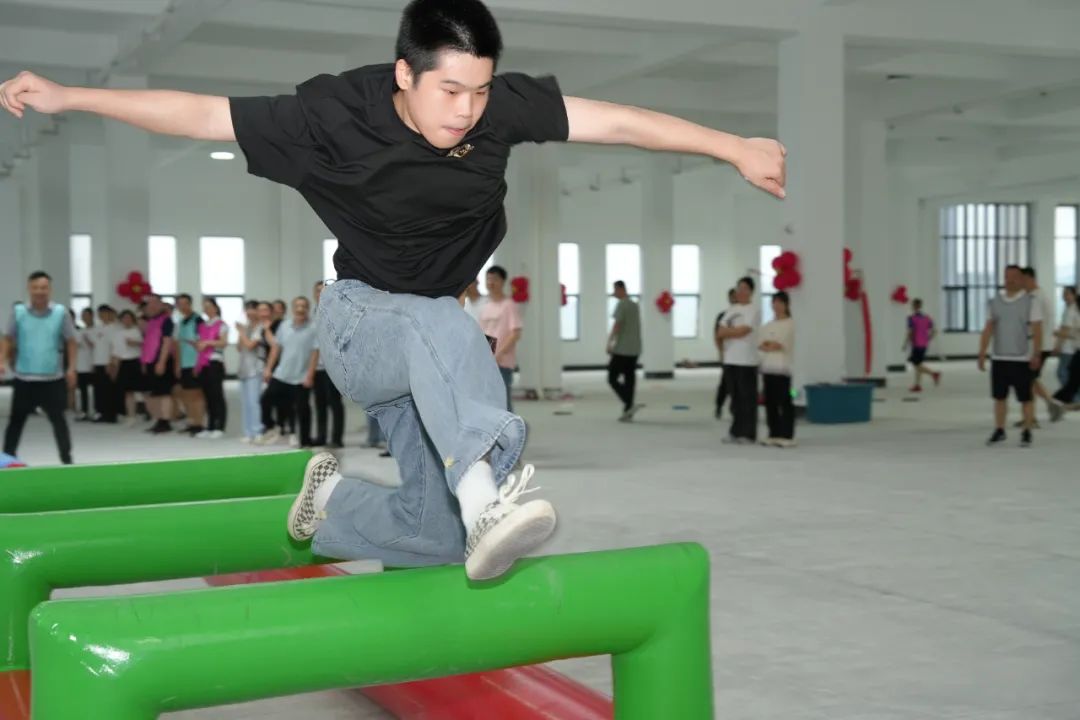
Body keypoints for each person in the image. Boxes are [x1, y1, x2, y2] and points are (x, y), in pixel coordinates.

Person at [0, 0, 786, 580]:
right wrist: (72, 98)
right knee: (440, 326)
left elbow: (615, 123)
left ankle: (336, 506)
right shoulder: (332, 115)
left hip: (428, 355)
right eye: (450, 92)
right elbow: (200, 113)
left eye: (480, 91)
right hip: (361, 323)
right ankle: (486, 498)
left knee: (432, 533)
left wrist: (731, 146)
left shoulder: (496, 110)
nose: (467, 111)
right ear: (405, 74)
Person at [0, 271, 77, 465]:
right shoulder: (18, 312)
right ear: (29, 289)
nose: (39, 291)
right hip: (24, 378)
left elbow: (71, 341)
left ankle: (67, 461)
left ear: (50, 289)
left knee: (59, 421)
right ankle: (7, 460)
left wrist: (71, 368)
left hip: (52, 378)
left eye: (43, 287)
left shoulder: (61, 312)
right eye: (35, 287)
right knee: (16, 421)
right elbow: (8, 338)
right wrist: (1, 360)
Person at [978, 265, 1043, 447]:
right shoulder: (994, 302)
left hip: (1022, 358)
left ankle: (1027, 431)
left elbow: (1037, 329)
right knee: (999, 397)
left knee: (1026, 398)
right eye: (1007, 277)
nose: (1010, 280)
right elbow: (988, 329)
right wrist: (982, 352)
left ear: (1021, 279)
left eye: (1014, 277)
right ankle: (999, 429)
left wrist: (1036, 353)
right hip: (999, 357)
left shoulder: (1031, 302)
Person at [264, 297, 319, 449]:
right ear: (293, 308)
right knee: (266, 400)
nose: (300, 309)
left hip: (301, 377)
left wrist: (310, 375)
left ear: (307, 309)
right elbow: (276, 348)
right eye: (297, 306)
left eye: (304, 306)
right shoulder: (284, 326)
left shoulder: (314, 328)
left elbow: (315, 353)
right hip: (281, 374)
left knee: (303, 409)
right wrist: (268, 368)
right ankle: (274, 427)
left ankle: (305, 440)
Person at [715, 277, 761, 444]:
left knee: (747, 398)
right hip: (730, 359)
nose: (741, 292)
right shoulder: (731, 309)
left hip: (747, 361)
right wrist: (733, 331)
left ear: (751, 291)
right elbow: (720, 332)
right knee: (735, 399)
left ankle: (748, 434)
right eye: (739, 288)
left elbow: (744, 331)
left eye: (745, 288)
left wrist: (729, 331)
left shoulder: (753, 310)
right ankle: (735, 431)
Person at [478, 265, 523, 411]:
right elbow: (483, 333)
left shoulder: (509, 305)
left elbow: (515, 333)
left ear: (503, 281)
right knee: (489, 401)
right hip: (487, 361)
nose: (491, 282)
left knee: (504, 402)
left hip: (502, 362)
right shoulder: (486, 306)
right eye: (488, 279)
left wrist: (499, 354)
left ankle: (513, 426)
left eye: (495, 279)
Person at [759, 291, 796, 448]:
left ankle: (787, 435)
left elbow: (779, 345)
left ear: (786, 305)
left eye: (780, 302)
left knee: (785, 401)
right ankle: (773, 433)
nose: (776, 305)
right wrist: (769, 345)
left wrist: (770, 344)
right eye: (774, 302)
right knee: (770, 403)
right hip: (768, 368)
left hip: (783, 369)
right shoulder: (768, 325)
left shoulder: (791, 324)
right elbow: (761, 343)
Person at [1020, 268, 1056, 425]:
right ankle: (1049, 406)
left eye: (1022, 279)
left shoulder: (1036, 297)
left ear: (1030, 278)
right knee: (1030, 380)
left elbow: (1036, 325)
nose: (1021, 283)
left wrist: (1036, 351)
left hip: (1040, 346)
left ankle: (1035, 415)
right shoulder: (1037, 295)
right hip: (1040, 344)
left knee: (1028, 381)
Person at [312, 281, 345, 449]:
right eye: (318, 291)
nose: (321, 294)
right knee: (320, 404)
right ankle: (321, 436)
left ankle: (337, 438)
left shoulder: (337, 313)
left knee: (334, 403)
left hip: (333, 367)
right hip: (316, 367)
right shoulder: (313, 313)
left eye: (324, 291)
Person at [606, 280, 643, 422]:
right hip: (635, 348)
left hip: (623, 349)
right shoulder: (635, 305)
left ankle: (629, 403)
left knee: (612, 378)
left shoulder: (622, 304)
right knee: (629, 379)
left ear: (621, 289)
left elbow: (617, 325)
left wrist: (609, 342)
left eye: (615, 290)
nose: (614, 293)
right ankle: (628, 410)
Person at [140, 294, 176, 434]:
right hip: (150, 360)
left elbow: (167, 342)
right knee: (154, 392)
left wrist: (161, 362)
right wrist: (144, 362)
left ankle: (165, 421)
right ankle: (159, 419)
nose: (152, 306)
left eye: (155, 303)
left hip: (162, 360)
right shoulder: (151, 321)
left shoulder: (166, 320)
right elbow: (147, 343)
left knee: (164, 392)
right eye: (149, 304)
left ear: (161, 305)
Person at [194, 297, 229, 439]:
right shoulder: (202, 325)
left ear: (215, 308)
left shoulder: (221, 324)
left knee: (217, 395)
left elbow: (223, 342)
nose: (206, 309)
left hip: (215, 362)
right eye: (204, 306)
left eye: (209, 306)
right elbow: (199, 343)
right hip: (203, 362)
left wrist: (207, 343)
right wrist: (198, 345)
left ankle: (219, 426)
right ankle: (210, 425)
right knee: (207, 395)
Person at [173, 293, 206, 436]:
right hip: (184, 363)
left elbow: (203, 342)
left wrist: (198, 363)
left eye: (185, 303)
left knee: (196, 395)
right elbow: (178, 345)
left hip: (195, 363)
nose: (183, 306)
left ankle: (199, 424)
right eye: (180, 304)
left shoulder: (198, 320)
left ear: (190, 304)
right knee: (186, 394)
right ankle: (191, 422)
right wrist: (178, 365)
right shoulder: (180, 322)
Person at [236, 300, 268, 443]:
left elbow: (250, 345)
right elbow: (239, 347)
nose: (249, 312)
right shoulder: (247, 327)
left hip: (256, 369)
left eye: (252, 309)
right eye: (246, 309)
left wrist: (241, 332)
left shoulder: (261, 327)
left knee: (254, 402)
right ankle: (248, 432)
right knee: (245, 402)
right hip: (243, 368)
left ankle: (257, 431)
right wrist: (241, 333)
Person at [110, 309, 143, 427]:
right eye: (124, 318)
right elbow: (116, 351)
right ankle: (131, 415)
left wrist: (137, 343)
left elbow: (145, 345)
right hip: (124, 362)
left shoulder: (137, 331)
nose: (126, 320)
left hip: (136, 361)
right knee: (127, 391)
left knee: (142, 390)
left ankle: (147, 413)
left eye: (129, 318)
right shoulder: (118, 333)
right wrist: (114, 366)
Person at [902, 298, 941, 393]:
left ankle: (933, 374)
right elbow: (935, 331)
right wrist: (928, 339)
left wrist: (905, 343)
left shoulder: (911, 318)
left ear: (915, 306)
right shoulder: (927, 318)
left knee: (916, 364)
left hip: (916, 344)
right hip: (924, 344)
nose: (911, 307)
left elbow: (910, 332)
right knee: (918, 364)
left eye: (912, 305)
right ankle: (917, 385)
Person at [89, 304, 118, 423]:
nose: (102, 315)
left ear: (110, 314)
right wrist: (93, 362)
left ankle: (110, 414)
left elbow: (115, 347)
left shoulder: (114, 328)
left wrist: (111, 362)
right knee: (99, 389)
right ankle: (101, 412)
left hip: (107, 363)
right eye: (100, 313)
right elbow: (95, 347)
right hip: (98, 362)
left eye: (104, 313)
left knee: (108, 389)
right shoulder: (98, 328)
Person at [1051, 286, 1080, 409]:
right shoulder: (1071, 308)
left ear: (1074, 295)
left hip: (1069, 348)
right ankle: (1073, 398)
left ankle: (1075, 399)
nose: (1065, 296)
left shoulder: (1071, 310)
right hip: (1073, 347)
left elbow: (1066, 330)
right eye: (1064, 294)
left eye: (1068, 294)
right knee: (1070, 374)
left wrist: (1057, 345)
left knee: (1063, 373)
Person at [714, 288, 736, 420]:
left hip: (741, 356)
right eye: (732, 296)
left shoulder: (744, 316)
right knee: (726, 383)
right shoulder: (723, 316)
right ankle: (719, 405)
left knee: (738, 384)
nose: (735, 298)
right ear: (729, 298)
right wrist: (721, 351)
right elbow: (717, 336)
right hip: (727, 355)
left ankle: (735, 408)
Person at [74, 307, 95, 420]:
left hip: (93, 364)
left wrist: (87, 341)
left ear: (92, 316)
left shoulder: (96, 330)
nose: (85, 317)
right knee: (82, 390)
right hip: (81, 365)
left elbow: (96, 346)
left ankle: (95, 411)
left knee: (94, 389)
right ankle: (84, 411)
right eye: (83, 315)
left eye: (87, 315)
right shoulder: (79, 331)